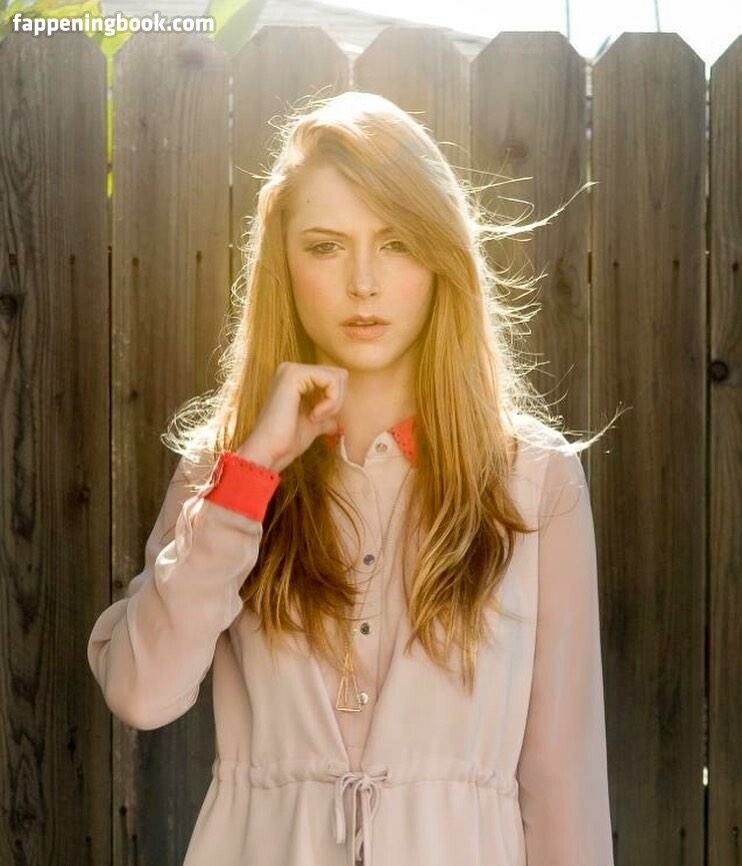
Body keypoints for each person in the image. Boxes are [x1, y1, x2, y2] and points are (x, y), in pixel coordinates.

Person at [87, 90, 619, 866]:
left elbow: (564, 786)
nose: (363, 283)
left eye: (397, 243)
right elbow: (141, 691)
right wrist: (251, 475)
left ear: (439, 260)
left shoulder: (535, 479)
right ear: (284, 263)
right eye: (326, 246)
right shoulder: (224, 469)